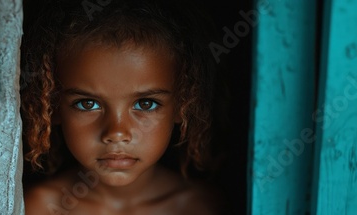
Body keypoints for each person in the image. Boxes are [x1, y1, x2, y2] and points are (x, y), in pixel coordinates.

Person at [21, 0, 226, 214]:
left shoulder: (201, 207)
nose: (117, 133)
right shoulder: (39, 208)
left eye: (146, 104)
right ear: (52, 107)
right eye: (87, 104)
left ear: (182, 105)